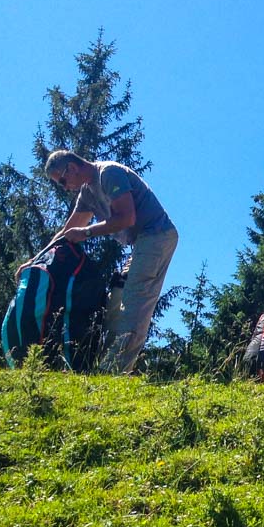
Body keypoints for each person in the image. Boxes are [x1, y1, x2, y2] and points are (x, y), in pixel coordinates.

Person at [40, 150, 178, 374]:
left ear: (72, 168)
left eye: (63, 181)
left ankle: (113, 373)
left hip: (157, 236)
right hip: (140, 244)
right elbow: (68, 231)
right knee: (116, 300)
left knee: (134, 302)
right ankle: (107, 367)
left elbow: (127, 218)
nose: (64, 187)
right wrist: (36, 260)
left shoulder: (109, 173)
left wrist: (86, 232)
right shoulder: (87, 193)